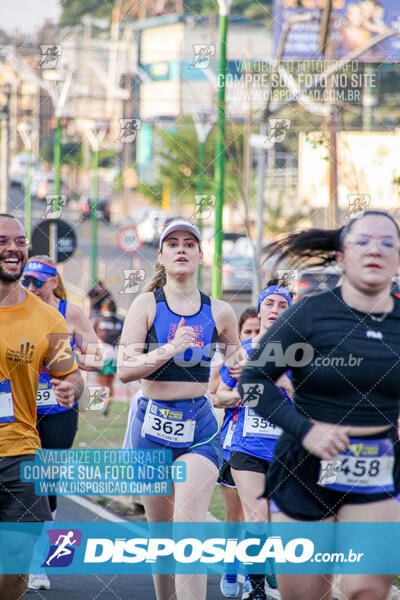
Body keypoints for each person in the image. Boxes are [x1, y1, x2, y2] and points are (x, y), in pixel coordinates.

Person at [239, 210, 400, 600]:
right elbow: (252, 382)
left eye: (387, 243)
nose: (374, 249)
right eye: (362, 241)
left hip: (375, 467)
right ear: (342, 256)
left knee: (366, 590)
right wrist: (306, 430)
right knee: (307, 594)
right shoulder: (307, 314)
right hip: (303, 468)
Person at [117, 219, 240, 600]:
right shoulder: (145, 305)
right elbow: (124, 371)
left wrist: (241, 370)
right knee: (162, 535)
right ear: (162, 255)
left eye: (190, 243)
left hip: (199, 429)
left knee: (188, 529)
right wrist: (169, 348)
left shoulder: (219, 311)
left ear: (201, 255)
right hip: (150, 426)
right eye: (173, 244)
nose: (182, 249)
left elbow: (238, 365)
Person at [0, 214, 83, 600]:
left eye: (19, 242)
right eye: (2, 240)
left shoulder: (48, 318)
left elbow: (72, 374)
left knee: (15, 562)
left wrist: (71, 388)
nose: (12, 248)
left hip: (19, 450)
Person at [20, 255, 103, 590]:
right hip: (20, 408)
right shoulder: (17, 309)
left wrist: (67, 357)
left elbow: (98, 359)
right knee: (16, 479)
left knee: (46, 481)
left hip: (59, 408)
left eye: (37, 282)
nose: (30, 288)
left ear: (54, 281)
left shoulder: (72, 313)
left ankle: (39, 560)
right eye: (25, 281)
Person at [217, 284, 292, 600]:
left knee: (277, 520)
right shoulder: (241, 352)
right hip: (245, 447)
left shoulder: (302, 356)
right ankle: (256, 588)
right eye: (269, 303)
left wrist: (286, 381)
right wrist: (241, 395)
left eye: (282, 305)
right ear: (259, 310)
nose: (275, 309)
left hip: (286, 449)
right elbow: (217, 395)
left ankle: (265, 568)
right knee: (255, 517)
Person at [209, 307, 260, 599]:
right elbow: (215, 395)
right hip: (234, 443)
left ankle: (261, 571)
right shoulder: (234, 359)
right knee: (235, 515)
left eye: (257, 331)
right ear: (239, 334)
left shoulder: (283, 357)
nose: (253, 337)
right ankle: (232, 566)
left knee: (265, 515)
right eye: (248, 332)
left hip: (271, 446)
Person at [92, 297, 124, 415]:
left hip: (102, 354)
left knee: (100, 383)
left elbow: (90, 334)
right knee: (109, 383)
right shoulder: (120, 321)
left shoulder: (98, 319)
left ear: (104, 307)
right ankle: (106, 404)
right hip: (115, 354)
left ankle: (102, 406)